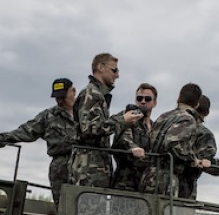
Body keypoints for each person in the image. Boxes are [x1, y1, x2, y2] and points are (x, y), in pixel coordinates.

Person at [0, 78, 76, 208]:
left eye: (62, 96)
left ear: (73, 92)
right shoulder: (49, 116)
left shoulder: (87, 114)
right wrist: (1, 138)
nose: (59, 101)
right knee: (64, 209)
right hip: (61, 168)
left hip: (86, 168)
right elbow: (26, 131)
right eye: (56, 98)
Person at [69, 53, 143, 188]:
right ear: (100, 67)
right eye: (114, 70)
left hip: (96, 168)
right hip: (89, 171)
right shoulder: (91, 94)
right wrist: (122, 120)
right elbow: (90, 129)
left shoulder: (98, 95)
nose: (117, 75)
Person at [139, 83, 210, 196]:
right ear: (196, 105)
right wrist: (194, 159)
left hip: (147, 174)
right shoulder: (188, 119)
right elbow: (174, 145)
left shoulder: (163, 116)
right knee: (163, 213)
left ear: (178, 98)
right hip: (166, 180)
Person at [111, 83, 158, 191]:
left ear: (154, 103)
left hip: (145, 184)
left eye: (147, 99)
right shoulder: (129, 117)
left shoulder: (155, 127)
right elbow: (124, 137)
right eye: (139, 98)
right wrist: (133, 148)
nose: (143, 101)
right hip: (125, 183)